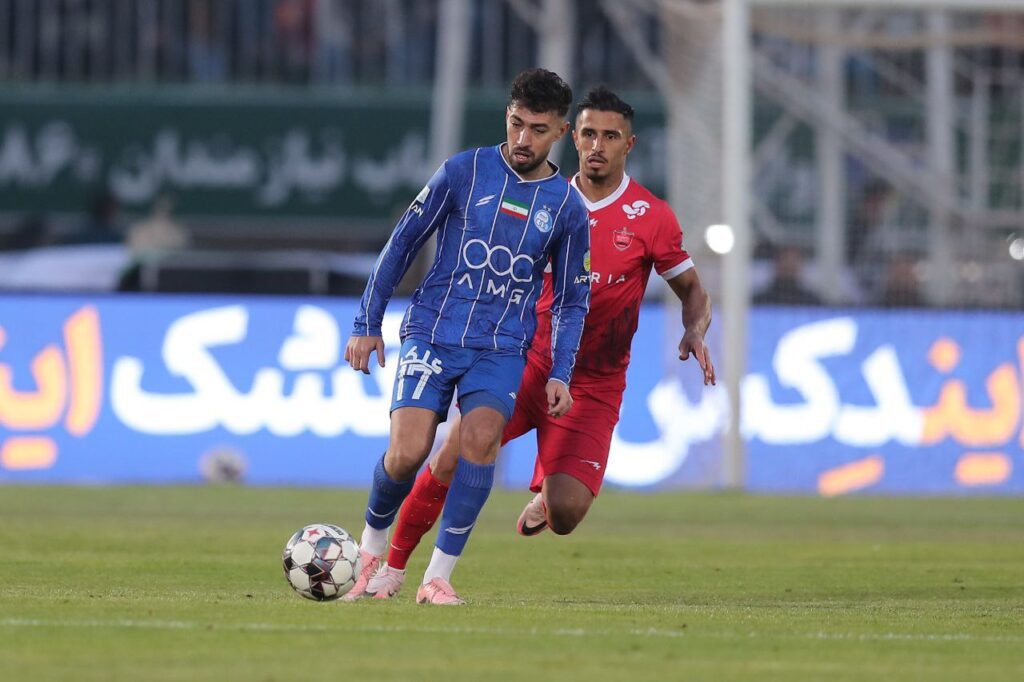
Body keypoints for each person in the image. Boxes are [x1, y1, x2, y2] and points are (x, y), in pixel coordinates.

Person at [355, 86, 716, 602]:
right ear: (575, 137)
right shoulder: (543, 195)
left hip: (594, 381)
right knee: (451, 454)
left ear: (628, 144)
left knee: (567, 513)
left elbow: (692, 291)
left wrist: (695, 329)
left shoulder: (650, 216)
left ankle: (548, 495)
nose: (597, 146)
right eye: (589, 134)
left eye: (610, 136)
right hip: (524, 357)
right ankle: (393, 567)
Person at [343, 68, 591, 605]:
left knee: (479, 442)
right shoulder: (464, 171)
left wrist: (561, 372)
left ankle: (437, 577)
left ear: (560, 132)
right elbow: (403, 241)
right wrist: (367, 323)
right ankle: (370, 550)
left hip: (501, 346)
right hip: (434, 330)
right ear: (507, 115)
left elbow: (573, 299)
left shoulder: (567, 207)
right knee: (408, 453)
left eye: (538, 129)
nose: (523, 138)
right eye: (516, 123)